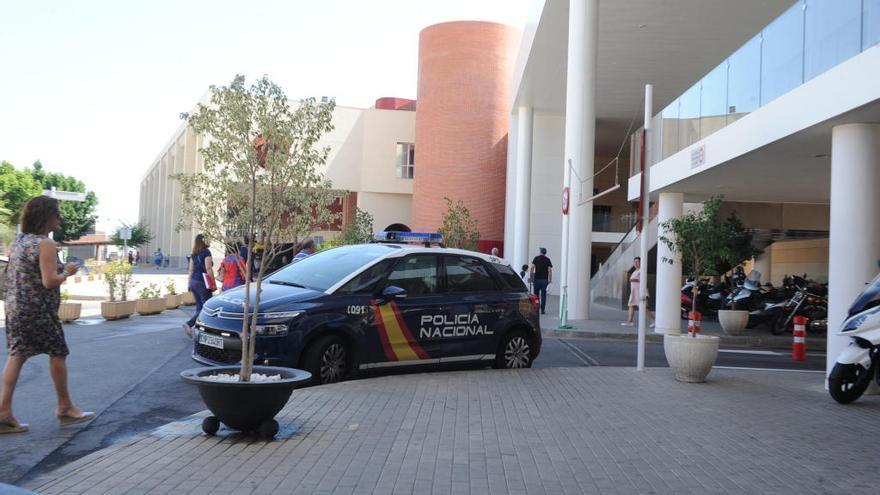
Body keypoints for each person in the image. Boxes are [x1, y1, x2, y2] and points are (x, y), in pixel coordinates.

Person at [1, 196, 94, 434]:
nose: (59, 219)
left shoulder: (20, 241)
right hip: (38, 311)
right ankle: (65, 408)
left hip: (16, 308)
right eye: (56, 214)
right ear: (46, 216)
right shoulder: (45, 244)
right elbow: (49, 280)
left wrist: (59, 271)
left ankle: (3, 413)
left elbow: (33, 273)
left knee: (17, 354)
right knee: (58, 352)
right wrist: (68, 272)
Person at [182, 235, 214, 338]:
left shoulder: (193, 254)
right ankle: (189, 324)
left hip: (193, 281)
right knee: (207, 307)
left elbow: (190, 270)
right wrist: (213, 283)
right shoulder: (206, 252)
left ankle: (197, 329)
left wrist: (189, 284)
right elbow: (208, 268)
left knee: (199, 307)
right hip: (202, 282)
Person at [622, 256, 654, 327]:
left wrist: (633, 280)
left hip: (639, 291)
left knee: (642, 307)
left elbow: (643, 280)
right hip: (633, 291)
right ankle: (629, 321)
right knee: (631, 305)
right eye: (635, 262)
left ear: (640, 263)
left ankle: (655, 320)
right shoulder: (635, 271)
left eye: (637, 262)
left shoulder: (642, 270)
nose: (636, 263)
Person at [530, 247, 552, 315]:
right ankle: (542, 310)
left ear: (540, 252)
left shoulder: (536, 258)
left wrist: (531, 277)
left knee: (536, 295)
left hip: (537, 279)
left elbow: (532, 268)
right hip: (544, 280)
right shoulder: (548, 259)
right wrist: (550, 280)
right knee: (543, 295)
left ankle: (536, 308)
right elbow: (550, 270)